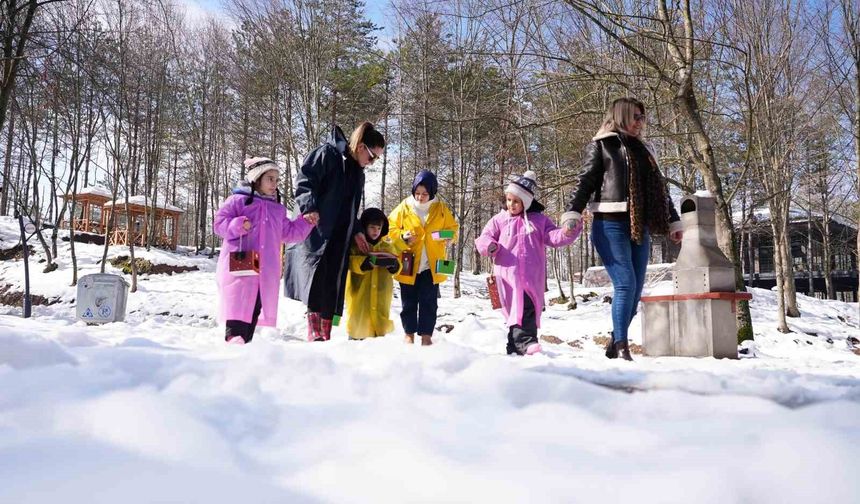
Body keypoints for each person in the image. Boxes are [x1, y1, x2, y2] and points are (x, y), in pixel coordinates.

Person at [560, 97, 683, 361]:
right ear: (622, 116)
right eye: (636, 116)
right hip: (609, 223)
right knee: (625, 284)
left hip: (640, 225)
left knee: (636, 290)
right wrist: (572, 212)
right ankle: (622, 345)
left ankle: (615, 342)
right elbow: (585, 182)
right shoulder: (603, 145)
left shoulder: (646, 150)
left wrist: (673, 220)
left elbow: (660, 191)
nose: (641, 122)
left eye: (643, 117)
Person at [284, 122, 386, 342]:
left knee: (333, 281)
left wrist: (358, 230)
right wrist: (309, 207)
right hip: (318, 230)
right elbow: (305, 181)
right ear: (360, 147)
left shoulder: (357, 172)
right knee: (317, 279)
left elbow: (350, 207)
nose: (372, 162)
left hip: (341, 235)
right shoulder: (327, 154)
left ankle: (326, 332)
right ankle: (314, 331)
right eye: (372, 157)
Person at [475, 170, 581, 355]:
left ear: (526, 202)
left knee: (528, 307)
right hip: (508, 275)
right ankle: (525, 343)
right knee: (517, 308)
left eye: (516, 201)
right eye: (509, 200)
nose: (511, 205)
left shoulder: (539, 221)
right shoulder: (500, 220)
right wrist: (490, 246)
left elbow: (553, 237)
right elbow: (484, 237)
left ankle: (516, 346)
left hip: (532, 275)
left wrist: (567, 231)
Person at [214, 157, 315, 344]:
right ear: (257, 178)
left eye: (277, 180)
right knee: (238, 302)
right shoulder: (238, 201)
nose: (274, 184)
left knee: (255, 306)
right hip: (240, 263)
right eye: (270, 178)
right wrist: (237, 225)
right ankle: (234, 341)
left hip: (265, 269)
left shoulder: (276, 209)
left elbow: (289, 232)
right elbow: (219, 224)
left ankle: (245, 344)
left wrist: (305, 222)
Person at [387, 170, 458, 346]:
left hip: (432, 264)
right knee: (408, 301)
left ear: (432, 192)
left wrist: (444, 235)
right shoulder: (404, 207)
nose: (420, 197)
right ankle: (408, 334)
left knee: (429, 302)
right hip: (408, 262)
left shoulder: (440, 208)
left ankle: (426, 336)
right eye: (417, 193)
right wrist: (403, 236)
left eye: (425, 194)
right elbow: (389, 228)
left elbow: (454, 230)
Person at [345, 208, 401, 340]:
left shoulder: (388, 247)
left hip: (381, 296)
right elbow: (349, 262)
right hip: (360, 296)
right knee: (358, 328)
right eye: (372, 227)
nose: (376, 231)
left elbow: (398, 264)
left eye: (378, 228)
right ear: (364, 227)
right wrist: (364, 263)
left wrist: (394, 265)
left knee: (378, 336)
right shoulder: (356, 246)